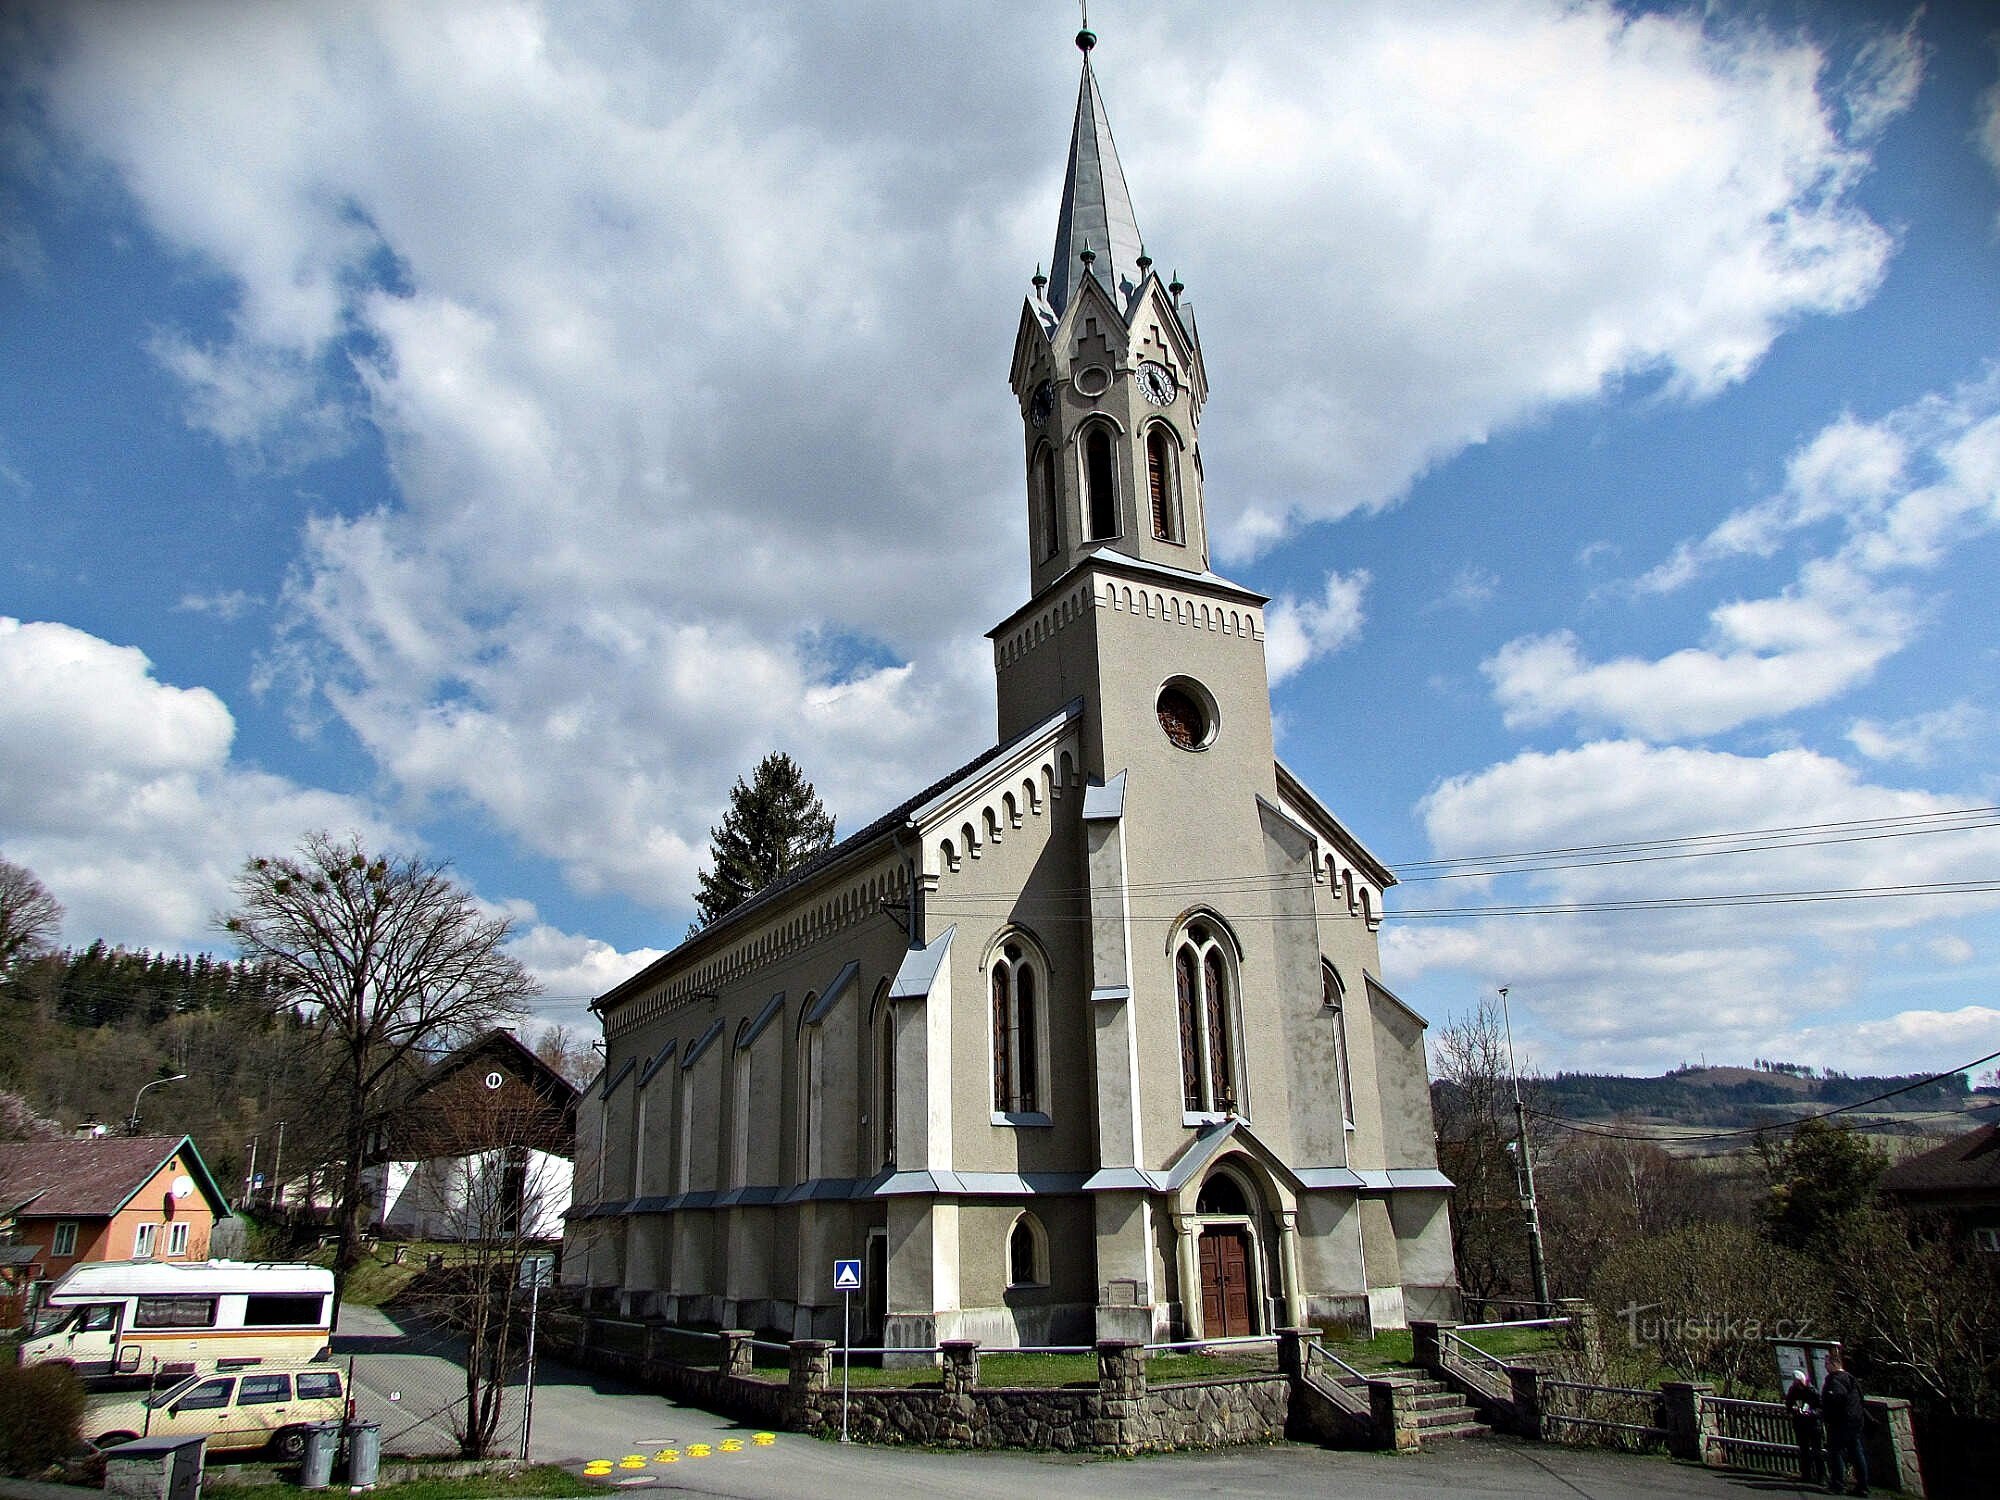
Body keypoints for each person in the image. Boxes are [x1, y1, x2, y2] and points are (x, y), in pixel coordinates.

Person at [1820, 1351, 1868, 1496]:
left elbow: (1835, 1399)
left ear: (1834, 1365)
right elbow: (1860, 1399)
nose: (1825, 1367)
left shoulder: (1835, 1380)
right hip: (1856, 1421)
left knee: (1836, 1453)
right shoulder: (1851, 1378)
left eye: (1827, 1364)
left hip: (1840, 1422)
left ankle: (1838, 1484)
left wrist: (1828, 1413)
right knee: (1857, 1453)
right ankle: (1862, 1486)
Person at [1785, 1367, 1824, 1487]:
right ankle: (1806, 1474)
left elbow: (1820, 1407)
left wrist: (1812, 1413)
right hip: (1800, 1424)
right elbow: (1788, 1404)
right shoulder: (1793, 1390)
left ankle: (1821, 1476)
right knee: (1804, 1451)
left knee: (1817, 1451)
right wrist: (1793, 1409)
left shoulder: (1812, 1391)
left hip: (1813, 1425)